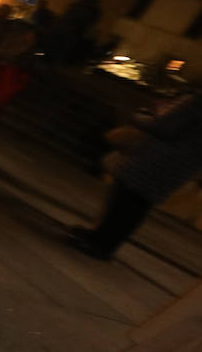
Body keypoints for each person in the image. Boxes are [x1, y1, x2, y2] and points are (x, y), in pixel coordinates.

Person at [70, 92, 202, 260]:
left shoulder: (199, 101)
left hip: (160, 158)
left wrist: (142, 116)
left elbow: (166, 126)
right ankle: (102, 240)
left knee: (126, 200)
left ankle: (100, 243)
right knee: (135, 204)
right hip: (181, 164)